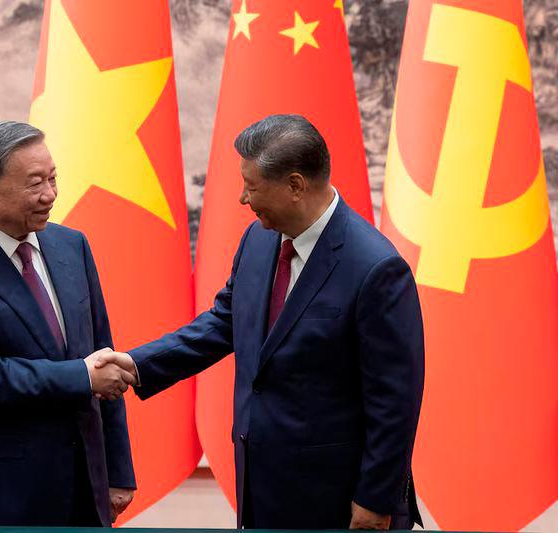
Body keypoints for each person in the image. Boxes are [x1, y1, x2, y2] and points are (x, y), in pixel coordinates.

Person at [97, 114, 425, 530]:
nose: (242, 199)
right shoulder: (260, 238)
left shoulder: (376, 269)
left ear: (294, 186)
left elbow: (395, 403)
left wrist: (375, 501)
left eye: (251, 186)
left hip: (339, 502)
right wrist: (137, 364)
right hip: (263, 489)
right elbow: (223, 323)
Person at [0, 121, 136, 526]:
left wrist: (117, 471)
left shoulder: (73, 246)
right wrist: (80, 376)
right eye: (35, 183)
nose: (50, 194)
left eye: (53, 178)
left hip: (82, 486)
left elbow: (105, 356)